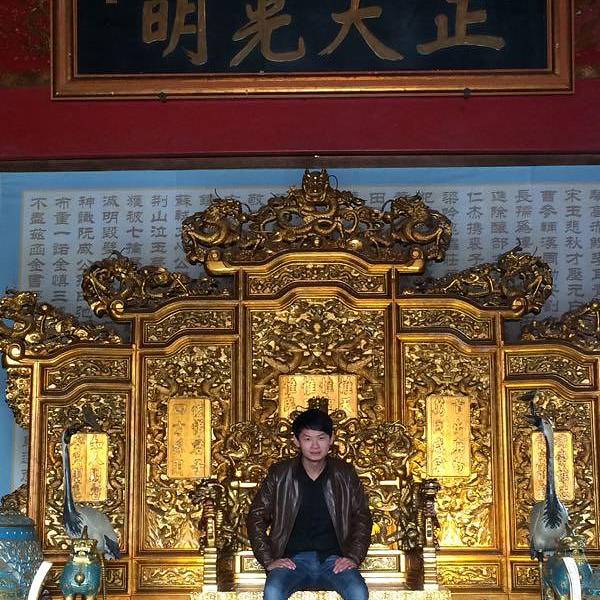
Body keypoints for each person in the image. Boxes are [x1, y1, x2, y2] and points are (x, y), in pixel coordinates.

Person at [247, 408, 372, 600]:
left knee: (358, 592)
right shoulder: (280, 474)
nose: (315, 445)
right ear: (296, 441)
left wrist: (353, 557)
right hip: (292, 562)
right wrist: (269, 560)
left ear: (331, 439)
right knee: (273, 592)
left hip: (334, 561)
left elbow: (362, 517)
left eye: (321, 438)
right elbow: (256, 516)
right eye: (307, 439)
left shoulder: (344, 473)